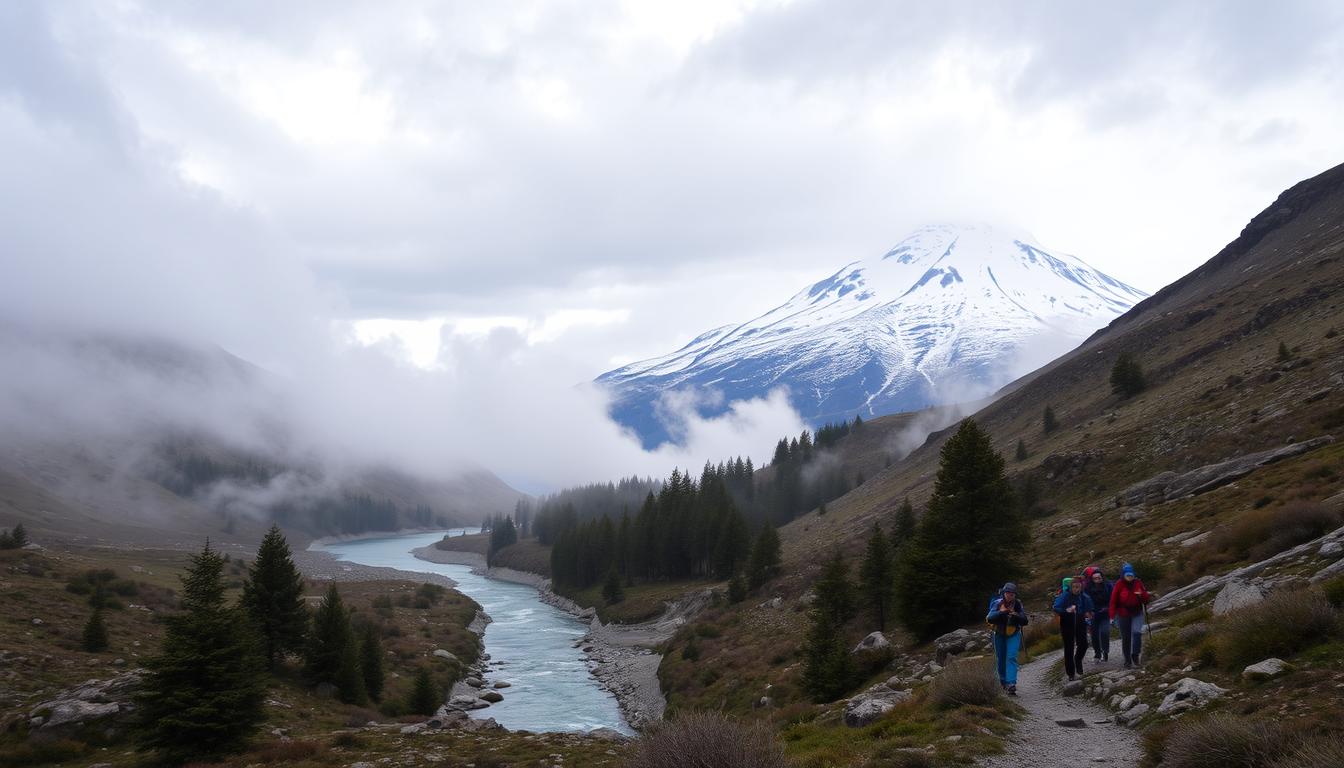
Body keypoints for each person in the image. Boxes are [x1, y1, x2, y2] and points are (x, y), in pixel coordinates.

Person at [986, 582, 1029, 695]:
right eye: (1008, 593)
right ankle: (1002, 681)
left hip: (1013, 634)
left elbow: (1025, 620)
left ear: (1015, 594)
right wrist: (1002, 612)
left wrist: (1016, 615)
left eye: (1013, 593)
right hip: (999, 634)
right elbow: (990, 618)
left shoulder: (1018, 604)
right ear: (1004, 593)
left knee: (1011, 657)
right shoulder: (997, 603)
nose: (1010, 595)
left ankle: (1011, 683)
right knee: (1001, 659)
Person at [1109, 562, 1152, 669]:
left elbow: (1146, 599)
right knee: (1126, 638)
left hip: (1137, 612)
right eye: (1127, 575)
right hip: (1123, 614)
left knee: (1137, 633)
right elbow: (1113, 601)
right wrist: (1111, 616)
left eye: (1131, 575)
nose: (1130, 577)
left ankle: (1135, 655)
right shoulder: (1119, 584)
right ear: (1123, 575)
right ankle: (1127, 660)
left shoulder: (1138, 583)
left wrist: (1142, 595)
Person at [1052, 576, 1094, 680]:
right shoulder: (1064, 596)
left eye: (1078, 587)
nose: (1077, 589)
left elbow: (1089, 609)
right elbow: (1056, 607)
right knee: (1069, 648)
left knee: (1084, 644)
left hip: (1080, 621)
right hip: (1067, 622)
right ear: (1070, 587)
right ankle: (1071, 673)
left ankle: (1078, 659)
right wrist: (1066, 611)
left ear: (1081, 587)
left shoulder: (1084, 596)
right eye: (1074, 587)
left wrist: (1089, 615)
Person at [1083, 566, 1114, 662]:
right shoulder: (1087, 588)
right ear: (1092, 579)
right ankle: (1097, 653)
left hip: (1105, 613)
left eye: (1099, 578)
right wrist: (1088, 611)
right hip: (1093, 614)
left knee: (1105, 632)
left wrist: (1109, 608)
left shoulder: (1108, 586)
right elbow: (1085, 600)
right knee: (1094, 635)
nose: (1097, 580)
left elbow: (1113, 598)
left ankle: (1105, 650)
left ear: (1102, 577)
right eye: (1095, 578)